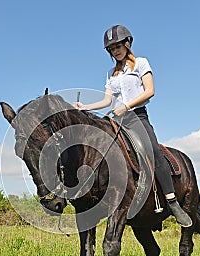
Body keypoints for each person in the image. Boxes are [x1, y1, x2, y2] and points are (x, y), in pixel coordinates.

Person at [73, 25, 192, 227]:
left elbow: (150, 91)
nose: (115, 51)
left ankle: (172, 201)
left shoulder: (141, 64)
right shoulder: (111, 73)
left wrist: (127, 106)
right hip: (117, 119)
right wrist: (85, 106)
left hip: (137, 117)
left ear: (127, 44)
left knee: (153, 151)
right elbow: (107, 100)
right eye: (112, 49)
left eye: (118, 46)